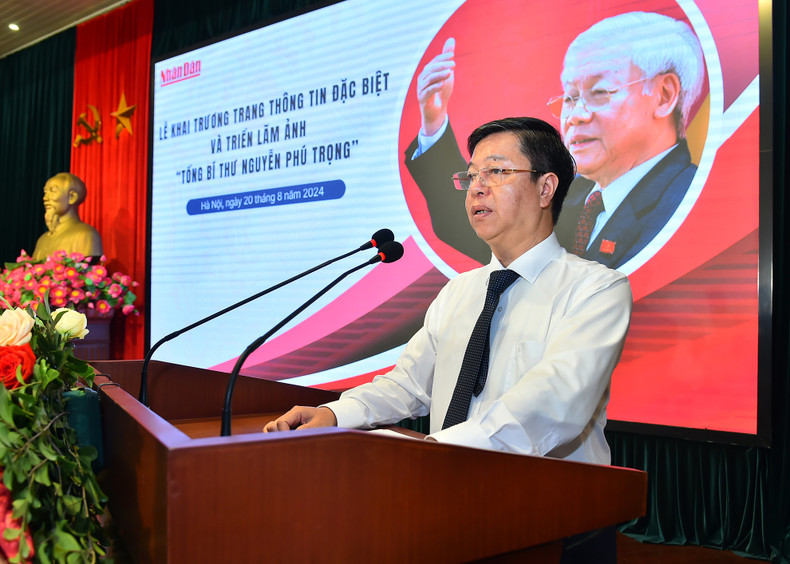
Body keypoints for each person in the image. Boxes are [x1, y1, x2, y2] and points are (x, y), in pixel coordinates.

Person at [266, 117, 632, 561]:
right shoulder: (459, 291)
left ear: (545, 188)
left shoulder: (595, 290)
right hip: (452, 504)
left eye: (496, 172)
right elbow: (408, 386)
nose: (477, 188)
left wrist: (437, 449)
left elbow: (553, 403)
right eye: (472, 175)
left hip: (557, 524)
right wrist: (334, 413)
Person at [405, 11, 705, 270]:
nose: (575, 116)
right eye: (570, 97)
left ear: (664, 95)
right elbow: (479, 228)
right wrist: (434, 122)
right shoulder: (570, 196)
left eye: (599, 92)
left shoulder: (688, 203)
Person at [32, 173, 103, 261]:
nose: (45, 198)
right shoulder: (43, 240)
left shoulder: (86, 235)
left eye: (53, 191)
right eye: (45, 193)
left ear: (72, 197)